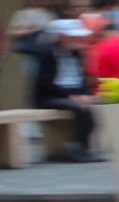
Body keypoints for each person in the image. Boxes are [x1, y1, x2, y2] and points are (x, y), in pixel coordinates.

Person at [33, 18, 102, 162]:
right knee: (81, 109)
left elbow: (79, 79)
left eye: (78, 36)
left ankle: (87, 147)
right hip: (50, 96)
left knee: (98, 102)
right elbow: (45, 84)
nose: (77, 39)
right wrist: (71, 96)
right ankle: (78, 148)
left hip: (72, 92)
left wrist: (85, 94)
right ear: (59, 37)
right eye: (72, 37)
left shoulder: (76, 53)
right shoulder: (48, 54)